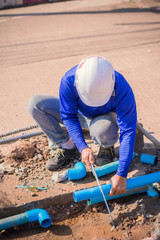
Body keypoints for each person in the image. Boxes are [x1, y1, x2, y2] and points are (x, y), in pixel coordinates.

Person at [27, 56, 137, 196]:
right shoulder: (69, 80)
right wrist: (82, 146)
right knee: (35, 105)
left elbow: (128, 131)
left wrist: (122, 174)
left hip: (102, 119)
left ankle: (106, 145)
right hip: (78, 114)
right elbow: (68, 116)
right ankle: (67, 145)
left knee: (103, 130)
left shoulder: (122, 88)